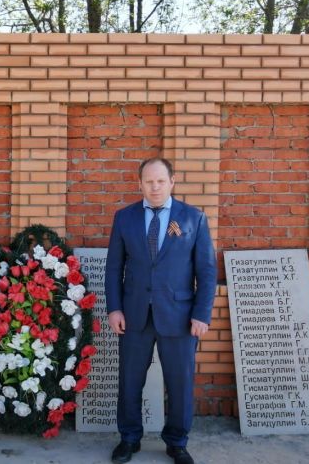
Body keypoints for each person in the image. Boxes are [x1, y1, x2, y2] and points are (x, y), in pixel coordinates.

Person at [104, 157, 217, 464]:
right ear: (139, 183)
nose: (155, 187)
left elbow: (206, 271)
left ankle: (177, 442)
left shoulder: (193, 218)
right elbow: (114, 267)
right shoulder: (124, 218)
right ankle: (129, 438)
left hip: (180, 317)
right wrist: (114, 308)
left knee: (180, 383)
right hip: (134, 315)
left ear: (172, 181)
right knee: (129, 381)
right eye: (149, 181)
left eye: (160, 181)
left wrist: (201, 314)